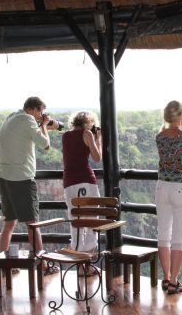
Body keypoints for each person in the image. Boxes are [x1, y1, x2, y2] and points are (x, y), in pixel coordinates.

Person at [0, 96, 60, 275]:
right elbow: (45, 145)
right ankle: (43, 266)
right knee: (33, 224)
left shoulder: (10, 117)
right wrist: (45, 126)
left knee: (9, 223)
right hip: (21, 177)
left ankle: (3, 264)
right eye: (40, 112)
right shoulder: (28, 120)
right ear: (34, 109)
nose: (41, 115)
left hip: (4, 176)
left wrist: (41, 125)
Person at [155, 101, 182, 295]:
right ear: (180, 116)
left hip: (162, 187)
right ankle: (174, 282)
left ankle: (165, 277)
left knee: (164, 236)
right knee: (179, 239)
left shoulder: (159, 137)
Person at [62, 111, 102, 275]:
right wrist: (98, 138)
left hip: (69, 182)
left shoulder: (65, 135)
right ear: (89, 123)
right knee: (91, 219)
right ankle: (86, 260)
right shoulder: (86, 133)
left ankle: (81, 265)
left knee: (76, 220)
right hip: (84, 180)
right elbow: (97, 157)